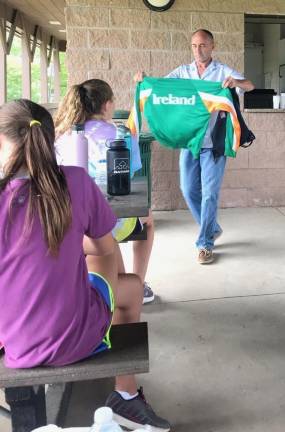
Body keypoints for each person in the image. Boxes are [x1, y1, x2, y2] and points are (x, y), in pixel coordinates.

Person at [0, 99, 170, 432]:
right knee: (127, 282)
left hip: (12, 339)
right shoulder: (75, 181)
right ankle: (126, 393)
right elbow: (105, 248)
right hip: (73, 339)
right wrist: (73, 240)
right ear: (50, 141)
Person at [135, 28, 254, 264]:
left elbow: (249, 85)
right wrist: (145, 79)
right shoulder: (183, 72)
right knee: (188, 189)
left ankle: (205, 244)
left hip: (215, 143)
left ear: (212, 46)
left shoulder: (222, 71)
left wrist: (235, 82)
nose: (198, 50)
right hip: (190, 142)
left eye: (202, 45)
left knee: (210, 194)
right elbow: (161, 87)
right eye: (194, 46)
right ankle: (211, 227)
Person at [54, 79, 155, 303]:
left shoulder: (61, 136)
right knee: (146, 218)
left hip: (66, 222)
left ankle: (128, 285)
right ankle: (138, 284)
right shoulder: (123, 134)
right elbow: (128, 180)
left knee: (103, 229)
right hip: (104, 224)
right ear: (107, 105)